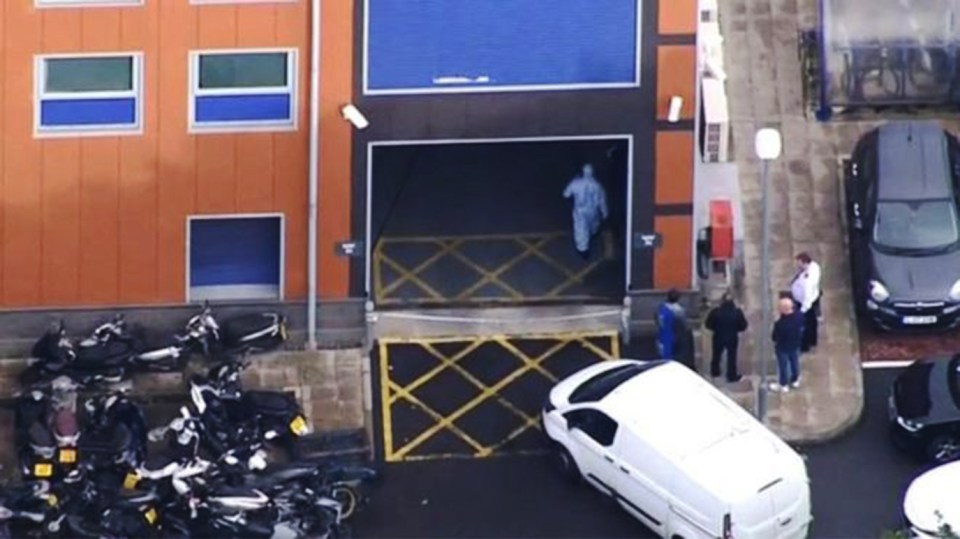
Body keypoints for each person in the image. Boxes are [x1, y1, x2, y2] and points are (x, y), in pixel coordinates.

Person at [563, 164, 609, 259]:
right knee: (593, 224)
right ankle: (593, 233)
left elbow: (566, 194)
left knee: (581, 229)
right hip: (593, 210)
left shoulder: (576, 183)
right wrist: (605, 212)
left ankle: (583, 249)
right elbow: (602, 200)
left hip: (580, 211)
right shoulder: (597, 185)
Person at [705, 292, 748, 382]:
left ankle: (715, 372)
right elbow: (743, 326)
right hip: (732, 337)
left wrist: (715, 328)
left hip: (718, 336)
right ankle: (731, 375)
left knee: (716, 355)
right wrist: (736, 329)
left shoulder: (716, 311)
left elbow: (708, 325)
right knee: (732, 357)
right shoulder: (737, 312)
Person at [790, 252, 822, 353]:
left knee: (805, 325)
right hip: (813, 299)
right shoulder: (814, 266)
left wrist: (802, 310)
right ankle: (813, 340)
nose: (797, 265)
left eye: (799, 263)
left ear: (804, 263)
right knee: (813, 322)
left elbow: (807, 296)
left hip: (806, 304)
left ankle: (805, 345)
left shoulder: (807, 280)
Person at [770, 297, 804, 392]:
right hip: (795, 344)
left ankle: (783, 384)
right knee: (794, 363)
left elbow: (775, 337)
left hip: (783, 348)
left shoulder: (780, 324)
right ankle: (795, 380)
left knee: (783, 366)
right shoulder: (799, 316)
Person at [655, 289, 693, 369]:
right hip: (673, 336)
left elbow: (656, 320)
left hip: (661, 335)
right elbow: (684, 325)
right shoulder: (679, 310)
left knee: (662, 357)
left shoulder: (660, 308)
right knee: (673, 359)